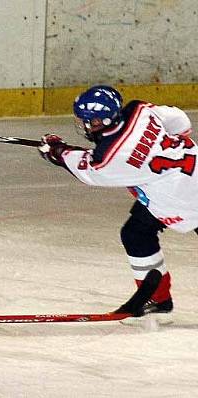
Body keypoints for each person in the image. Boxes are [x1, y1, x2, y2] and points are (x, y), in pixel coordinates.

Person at [39, 85, 198, 324]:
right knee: (135, 233)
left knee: (137, 233)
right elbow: (181, 122)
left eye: (89, 122)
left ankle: (157, 298)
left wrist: (57, 151)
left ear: (104, 120)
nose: (84, 126)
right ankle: (157, 297)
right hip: (189, 173)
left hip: (183, 197)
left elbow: (90, 169)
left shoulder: (112, 159)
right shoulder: (139, 110)